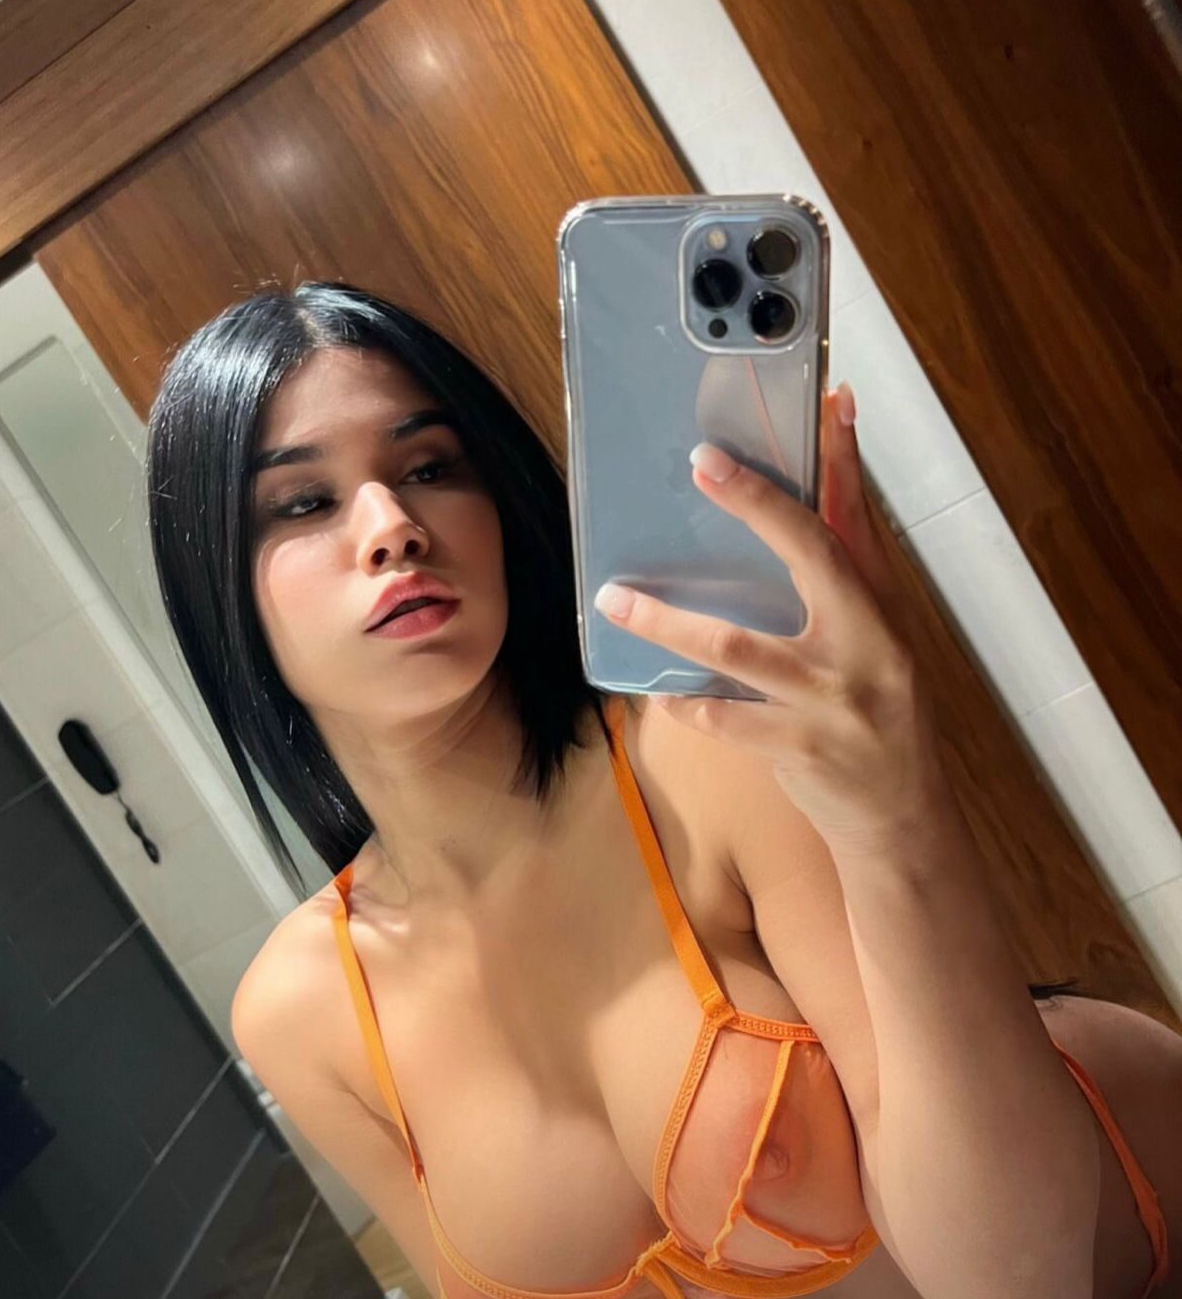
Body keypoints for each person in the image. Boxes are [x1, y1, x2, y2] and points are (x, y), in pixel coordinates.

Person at [146, 283, 1176, 1299]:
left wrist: (896, 817)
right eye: (303, 501)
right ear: (217, 588)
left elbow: (1014, 1280)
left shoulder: (707, 747)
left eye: (429, 467)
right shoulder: (302, 1013)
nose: (393, 524)